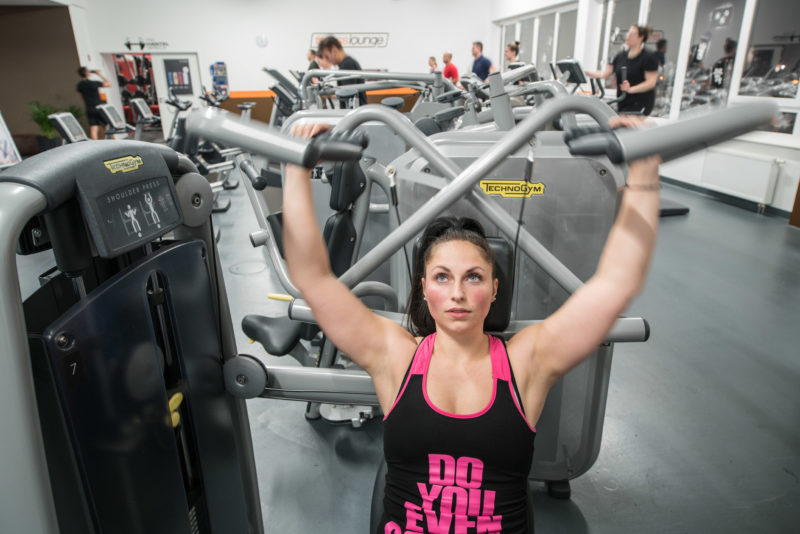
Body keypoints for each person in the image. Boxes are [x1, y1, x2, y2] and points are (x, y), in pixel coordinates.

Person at [282, 116, 661, 533]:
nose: (458, 292)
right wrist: (295, 169)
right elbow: (313, 278)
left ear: (494, 289)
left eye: (473, 277)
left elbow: (615, 283)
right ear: (424, 288)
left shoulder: (527, 361)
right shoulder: (394, 355)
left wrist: (643, 175)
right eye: (443, 277)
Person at [586, 25, 659, 115]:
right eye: (628, 33)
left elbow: (651, 82)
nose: (628, 36)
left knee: (624, 125)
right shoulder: (621, 56)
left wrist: (631, 89)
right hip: (623, 102)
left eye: (632, 33)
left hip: (640, 102)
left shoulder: (648, 57)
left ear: (641, 37)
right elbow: (604, 74)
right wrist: (584, 72)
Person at [318, 35, 367, 106]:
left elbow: (348, 93)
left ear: (334, 49)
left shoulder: (347, 64)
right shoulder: (346, 63)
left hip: (355, 113)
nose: (327, 60)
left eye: (327, 56)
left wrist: (329, 94)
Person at [76, 66, 111, 140]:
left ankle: (95, 146)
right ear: (87, 73)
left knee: (93, 128)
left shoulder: (80, 85)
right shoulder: (94, 83)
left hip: (89, 108)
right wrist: (98, 74)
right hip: (99, 107)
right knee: (106, 126)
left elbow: (81, 97)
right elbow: (108, 83)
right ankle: (111, 143)